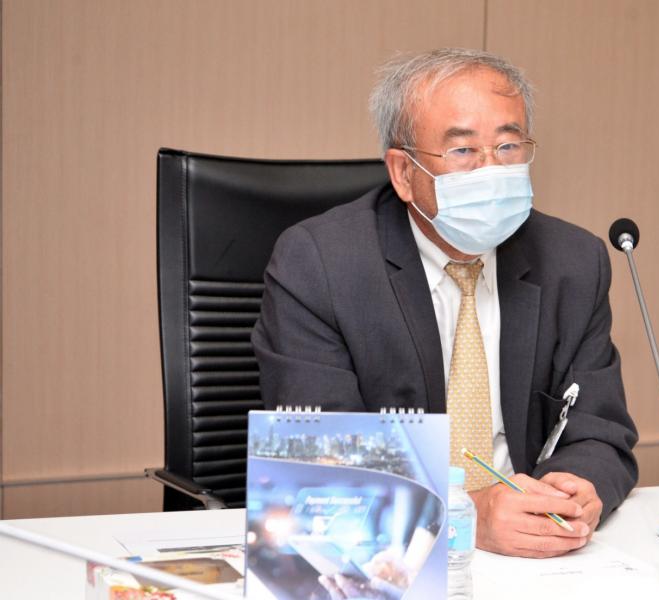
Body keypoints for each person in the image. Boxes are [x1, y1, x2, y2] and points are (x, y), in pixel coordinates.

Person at [252, 48, 638, 560]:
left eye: (508, 145)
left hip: (538, 553)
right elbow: (323, 463)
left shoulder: (573, 261)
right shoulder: (320, 263)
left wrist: (575, 487)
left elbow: (601, 431)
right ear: (402, 172)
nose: (491, 169)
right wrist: (467, 514)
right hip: (391, 557)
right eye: (462, 150)